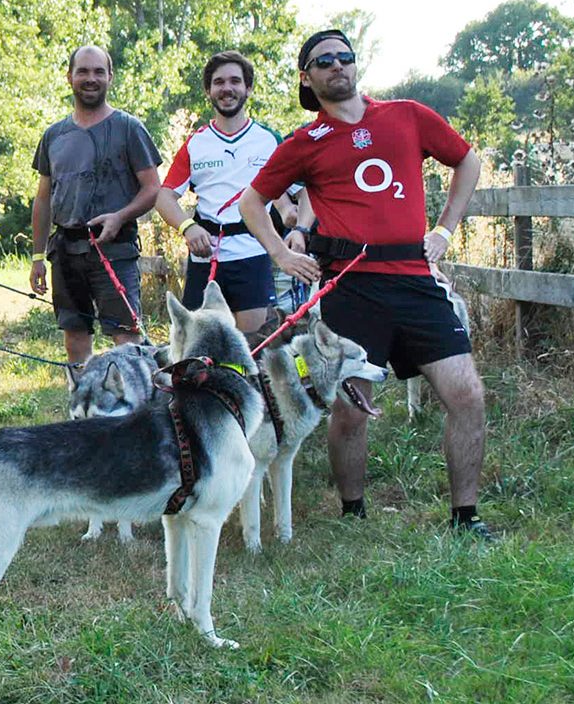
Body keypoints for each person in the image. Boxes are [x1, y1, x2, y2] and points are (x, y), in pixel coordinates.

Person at [238, 28, 496, 540]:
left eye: (344, 57)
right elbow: (251, 202)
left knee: (467, 396)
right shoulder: (304, 142)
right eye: (322, 61)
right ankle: (353, 512)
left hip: (417, 282)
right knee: (349, 408)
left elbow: (468, 160)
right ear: (307, 78)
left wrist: (444, 230)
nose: (336, 66)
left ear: (356, 65)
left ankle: (466, 518)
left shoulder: (406, 115)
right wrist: (281, 253)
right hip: (351, 289)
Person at [29, 45, 163, 364]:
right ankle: (82, 410)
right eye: (83, 71)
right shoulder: (53, 135)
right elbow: (44, 198)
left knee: (126, 338)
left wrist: (120, 216)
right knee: (75, 335)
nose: (91, 79)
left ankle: (132, 411)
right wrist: (37, 257)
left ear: (110, 77)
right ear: (69, 77)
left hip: (114, 249)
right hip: (65, 250)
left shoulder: (129, 128)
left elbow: (153, 188)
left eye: (98, 72)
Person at [153, 50, 290, 334]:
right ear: (208, 90)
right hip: (207, 257)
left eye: (235, 81)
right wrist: (188, 227)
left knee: (251, 346)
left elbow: (298, 194)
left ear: (248, 88)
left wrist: (295, 224)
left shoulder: (269, 139)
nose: (227, 88)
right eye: (218, 82)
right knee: (199, 344)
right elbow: (164, 197)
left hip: (252, 253)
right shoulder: (196, 143)